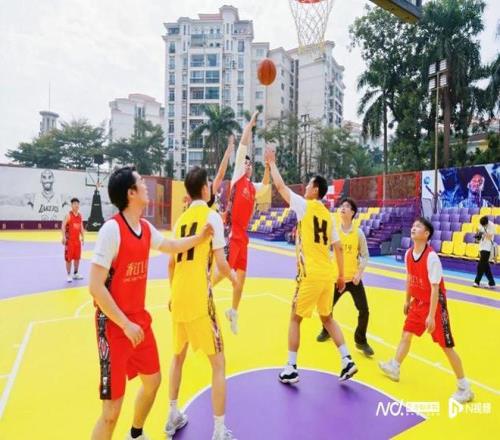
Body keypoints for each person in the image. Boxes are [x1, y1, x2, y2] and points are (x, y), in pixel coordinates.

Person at [89, 165, 212, 440]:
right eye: (140, 182)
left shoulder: (144, 228)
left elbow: (171, 246)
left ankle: (135, 434)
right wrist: (124, 324)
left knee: (153, 381)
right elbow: (95, 287)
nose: (146, 185)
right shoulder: (112, 230)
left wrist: (200, 238)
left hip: (138, 321)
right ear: (131, 193)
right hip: (113, 326)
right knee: (111, 412)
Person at [265, 148, 358, 383]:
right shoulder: (328, 216)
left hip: (310, 275)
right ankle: (347, 360)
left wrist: (272, 163)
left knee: (295, 318)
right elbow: (338, 248)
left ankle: (291, 367)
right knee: (327, 318)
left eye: (308, 185)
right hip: (328, 274)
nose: (305, 188)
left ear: (315, 189)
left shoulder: (305, 205)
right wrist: (340, 276)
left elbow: (280, 187)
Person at [166, 166, 238, 440]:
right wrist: (234, 278)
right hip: (199, 300)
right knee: (218, 363)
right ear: (206, 189)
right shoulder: (212, 217)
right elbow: (221, 263)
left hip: (178, 297)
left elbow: (171, 264)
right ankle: (219, 430)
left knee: (177, 357)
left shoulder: (180, 221)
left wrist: (172, 294)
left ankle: (172, 414)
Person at [379, 217, 474, 404]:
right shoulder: (408, 254)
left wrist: (431, 316)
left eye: (418, 226)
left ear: (426, 234)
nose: (413, 228)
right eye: (413, 226)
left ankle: (465, 387)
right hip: (418, 302)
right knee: (406, 334)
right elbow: (409, 278)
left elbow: (435, 289)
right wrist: (407, 300)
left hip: (435, 305)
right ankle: (395, 367)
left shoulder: (431, 258)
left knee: (446, 346)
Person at [214, 111, 270, 334]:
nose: (247, 165)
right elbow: (244, 145)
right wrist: (250, 125)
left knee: (241, 278)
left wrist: (268, 167)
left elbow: (265, 186)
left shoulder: (252, 187)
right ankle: (203, 289)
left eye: (249, 164)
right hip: (232, 232)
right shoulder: (238, 177)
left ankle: (233, 311)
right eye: (245, 162)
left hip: (243, 236)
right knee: (224, 270)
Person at [315, 197, 374, 357]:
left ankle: (360, 340)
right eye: (341, 206)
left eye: (347, 206)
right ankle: (326, 330)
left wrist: (359, 274)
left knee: (364, 310)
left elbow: (365, 255)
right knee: (326, 308)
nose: (343, 208)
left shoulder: (358, 233)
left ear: (352, 213)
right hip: (336, 279)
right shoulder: (334, 231)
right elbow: (325, 251)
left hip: (353, 279)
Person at [61, 197, 85, 282]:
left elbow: (81, 227)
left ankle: (75, 273)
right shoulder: (68, 215)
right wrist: (63, 237)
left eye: (77, 204)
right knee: (69, 259)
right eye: (74, 204)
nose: (76, 205)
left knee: (77, 258)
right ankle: (68, 275)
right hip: (69, 241)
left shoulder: (80, 216)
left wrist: (83, 237)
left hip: (77, 241)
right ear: (71, 205)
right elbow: (63, 226)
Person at [473, 215, 496, 289]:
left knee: (480, 265)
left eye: (483, 225)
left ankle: (477, 282)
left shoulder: (492, 225)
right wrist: (477, 236)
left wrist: (482, 232)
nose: (482, 226)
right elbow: (478, 235)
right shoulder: (481, 224)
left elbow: (490, 237)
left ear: (487, 223)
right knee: (485, 266)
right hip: (481, 247)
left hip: (488, 247)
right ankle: (491, 283)